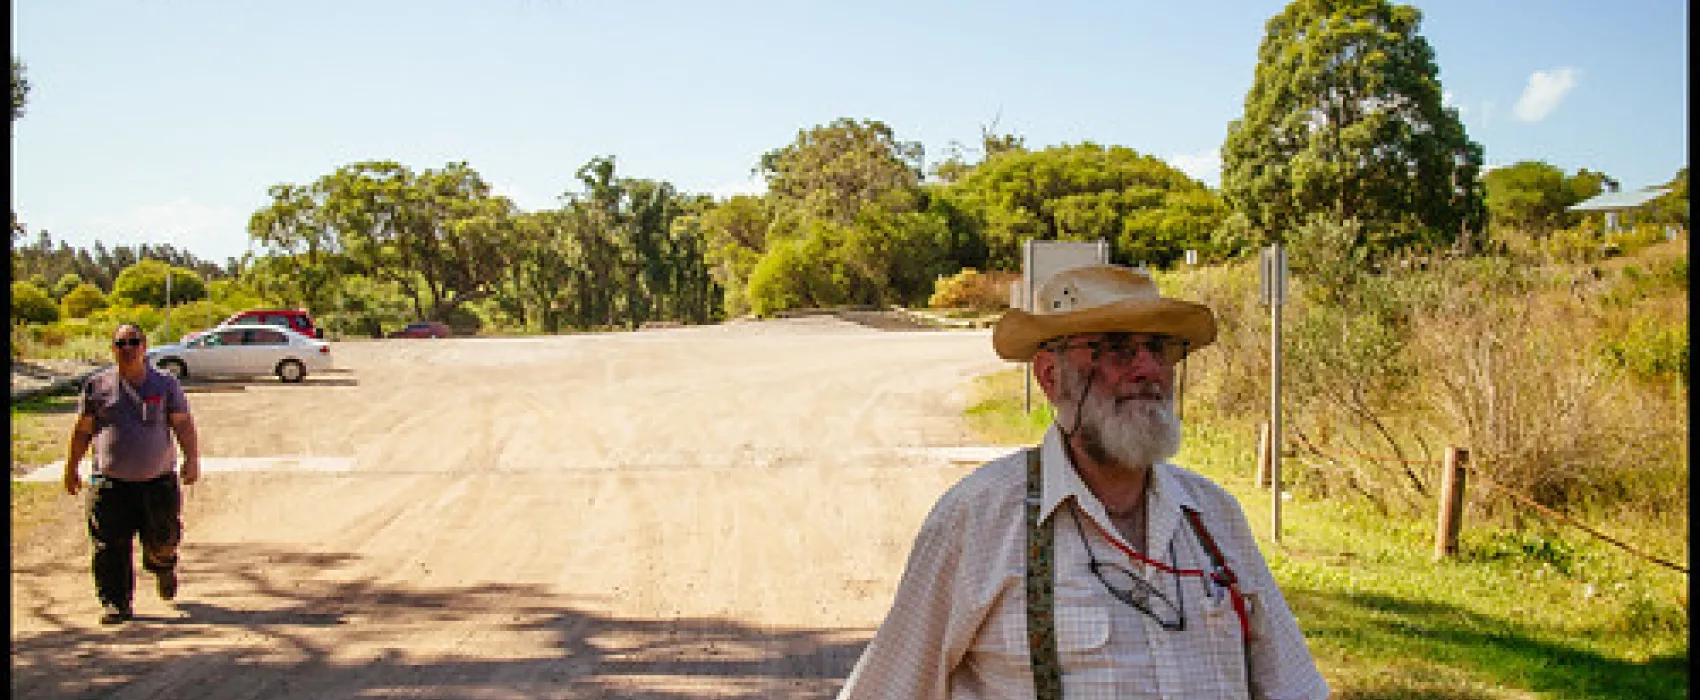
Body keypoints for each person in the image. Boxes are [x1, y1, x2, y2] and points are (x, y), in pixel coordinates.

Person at [836, 265, 1328, 699]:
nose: (1148, 369)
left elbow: (1293, 687)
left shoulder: (1215, 517)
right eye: (1116, 348)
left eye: (1159, 348)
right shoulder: (979, 520)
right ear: (1051, 377)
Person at [64, 323, 201, 625]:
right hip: (110, 484)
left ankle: (162, 567)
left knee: (163, 539)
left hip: (158, 482)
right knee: (109, 545)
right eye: (121, 343)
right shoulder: (96, 386)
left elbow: (182, 423)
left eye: (133, 342)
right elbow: (84, 430)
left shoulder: (165, 384)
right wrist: (72, 467)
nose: (127, 348)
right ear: (113, 349)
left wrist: (192, 458)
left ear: (144, 346)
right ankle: (116, 603)